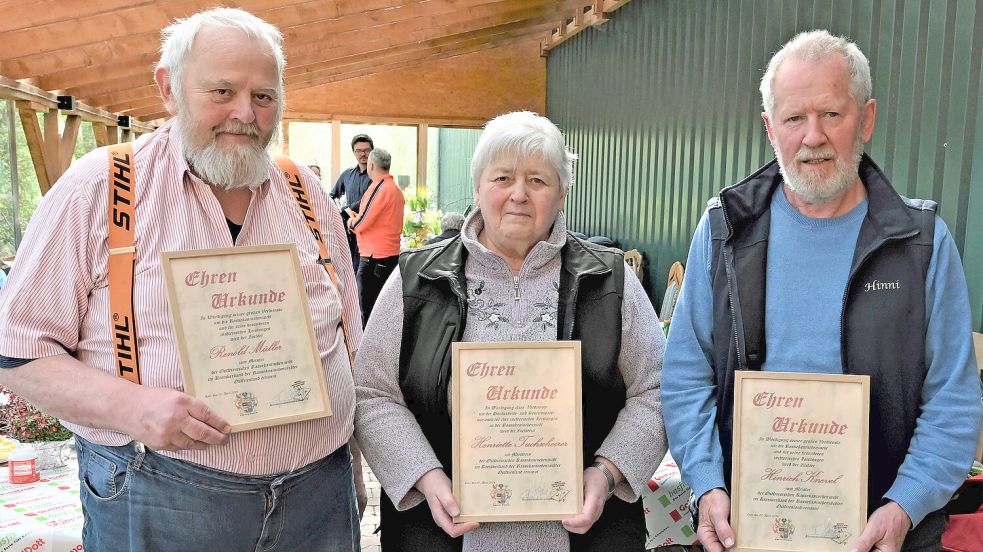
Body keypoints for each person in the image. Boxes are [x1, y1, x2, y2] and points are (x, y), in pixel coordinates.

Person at [0, 8, 365, 551]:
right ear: (168, 88)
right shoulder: (97, 189)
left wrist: (353, 469)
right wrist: (132, 409)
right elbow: (18, 351)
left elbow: (349, 341)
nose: (244, 114)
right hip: (162, 493)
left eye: (264, 97)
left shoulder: (306, 193)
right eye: (221, 92)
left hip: (318, 497)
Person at [662, 30, 981, 552]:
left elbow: (953, 399)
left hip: (885, 536)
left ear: (867, 118)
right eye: (794, 118)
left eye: (832, 114)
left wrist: (906, 505)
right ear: (771, 128)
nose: (813, 136)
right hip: (749, 529)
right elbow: (685, 375)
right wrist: (706, 483)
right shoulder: (724, 231)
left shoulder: (920, 243)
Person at [354, 111, 667, 552]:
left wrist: (606, 472)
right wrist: (425, 476)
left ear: (562, 194)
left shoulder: (612, 279)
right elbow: (372, 392)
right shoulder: (414, 279)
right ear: (478, 186)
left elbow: (656, 389)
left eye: (538, 180)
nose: (518, 194)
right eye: (502, 178)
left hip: (589, 535)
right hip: (441, 533)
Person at [348, 148, 404, 325]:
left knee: (367, 311)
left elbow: (362, 222)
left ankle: (368, 352)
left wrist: (351, 221)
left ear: (371, 165)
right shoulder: (395, 189)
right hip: (390, 256)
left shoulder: (379, 188)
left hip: (374, 258)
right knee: (384, 312)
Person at [332, 134, 375, 271]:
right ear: (354, 152)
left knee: (363, 275)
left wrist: (345, 208)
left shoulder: (377, 176)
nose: (363, 154)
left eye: (367, 150)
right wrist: (337, 210)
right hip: (349, 233)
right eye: (359, 150)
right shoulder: (347, 174)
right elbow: (332, 196)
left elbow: (368, 201)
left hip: (369, 233)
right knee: (347, 270)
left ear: (372, 151)